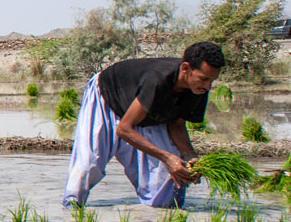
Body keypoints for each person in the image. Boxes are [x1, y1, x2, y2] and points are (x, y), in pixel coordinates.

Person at [62, 41, 225, 208]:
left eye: (212, 80)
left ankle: (156, 220)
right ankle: (70, 211)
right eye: (204, 79)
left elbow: (176, 125)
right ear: (186, 69)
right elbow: (124, 129)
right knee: (89, 163)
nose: (208, 86)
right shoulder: (157, 80)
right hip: (108, 95)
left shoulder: (198, 89)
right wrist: (167, 158)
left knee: (164, 184)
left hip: (148, 110)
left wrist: (190, 156)